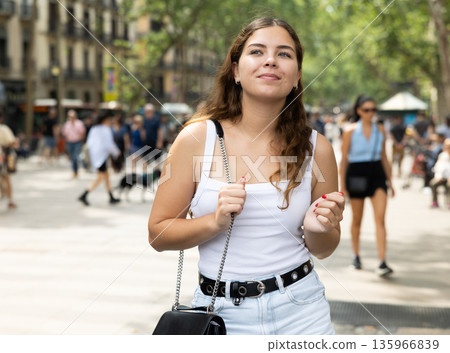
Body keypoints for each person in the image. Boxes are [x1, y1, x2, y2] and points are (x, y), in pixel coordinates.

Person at [148, 17, 345, 335]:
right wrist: (215, 221)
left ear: (296, 77)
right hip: (220, 316)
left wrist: (319, 227)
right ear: (236, 71)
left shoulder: (317, 148)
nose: (271, 59)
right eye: (257, 51)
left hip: (302, 311)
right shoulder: (197, 138)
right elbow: (157, 234)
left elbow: (324, 248)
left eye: (284, 54)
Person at [340, 95, 395, 277]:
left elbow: (385, 157)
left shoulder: (380, 129)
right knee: (357, 219)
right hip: (356, 173)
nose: (370, 113)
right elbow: (344, 159)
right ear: (359, 111)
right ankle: (356, 255)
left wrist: (391, 182)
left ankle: (382, 261)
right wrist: (343, 186)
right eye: (366, 110)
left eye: (373, 110)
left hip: (377, 174)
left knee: (380, 219)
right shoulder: (349, 131)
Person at [78, 112, 121, 206]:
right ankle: (84, 194)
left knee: (106, 176)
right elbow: (108, 144)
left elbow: (90, 143)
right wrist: (116, 152)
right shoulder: (105, 130)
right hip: (101, 157)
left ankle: (111, 196)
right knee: (101, 177)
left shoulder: (94, 129)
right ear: (105, 120)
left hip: (96, 157)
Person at [0, 111, 18, 209]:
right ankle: (10, 201)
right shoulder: (3, 129)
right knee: (6, 178)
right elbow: (12, 142)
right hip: (3, 157)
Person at [61, 110, 86, 178]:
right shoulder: (67, 124)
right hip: (69, 142)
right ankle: (74, 171)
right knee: (72, 157)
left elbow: (82, 133)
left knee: (75, 156)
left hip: (77, 142)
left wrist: (82, 142)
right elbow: (64, 134)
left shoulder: (79, 123)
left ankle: (76, 170)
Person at [430, 138, 450, 208]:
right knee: (433, 183)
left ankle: (448, 202)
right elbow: (439, 167)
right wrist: (438, 176)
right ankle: (434, 201)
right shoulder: (442, 155)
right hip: (442, 177)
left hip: (448, 178)